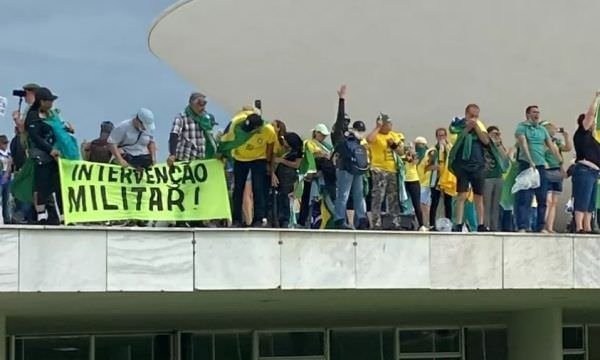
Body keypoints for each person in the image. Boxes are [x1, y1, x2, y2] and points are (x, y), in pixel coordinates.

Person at [25, 87, 79, 224]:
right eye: (49, 101)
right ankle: (41, 215)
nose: (51, 104)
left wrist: (68, 129)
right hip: (41, 154)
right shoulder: (32, 115)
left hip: (56, 154)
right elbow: (35, 137)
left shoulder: (51, 114)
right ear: (42, 101)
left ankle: (63, 215)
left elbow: (57, 128)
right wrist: (49, 150)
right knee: (42, 185)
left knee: (59, 184)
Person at [219, 111, 276, 227]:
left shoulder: (268, 130)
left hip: (259, 159)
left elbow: (270, 145)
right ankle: (237, 220)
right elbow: (226, 137)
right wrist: (222, 152)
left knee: (258, 188)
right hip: (240, 158)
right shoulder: (237, 122)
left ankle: (258, 219)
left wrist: (268, 162)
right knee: (238, 189)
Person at [514, 105, 562, 232]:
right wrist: (530, 160)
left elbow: (551, 145)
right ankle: (523, 226)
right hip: (526, 165)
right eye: (534, 112)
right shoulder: (522, 127)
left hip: (540, 166)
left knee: (542, 197)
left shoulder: (542, 129)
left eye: (538, 112)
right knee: (525, 197)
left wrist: (560, 162)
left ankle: (540, 226)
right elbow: (523, 143)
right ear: (528, 114)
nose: (537, 114)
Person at [331, 85, 369, 230]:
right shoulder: (339, 136)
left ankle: (361, 219)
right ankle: (340, 219)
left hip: (355, 168)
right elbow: (340, 118)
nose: (346, 124)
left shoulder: (353, 138)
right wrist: (342, 100)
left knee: (357, 195)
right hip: (345, 168)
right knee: (344, 195)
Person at [448, 104, 490, 232]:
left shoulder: (480, 125)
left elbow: (486, 141)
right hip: (463, 165)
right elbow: (456, 141)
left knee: (479, 196)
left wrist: (476, 127)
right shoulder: (456, 126)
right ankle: (458, 223)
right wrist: (467, 128)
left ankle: (481, 224)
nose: (474, 118)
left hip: (478, 165)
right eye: (472, 116)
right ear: (466, 114)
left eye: (476, 116)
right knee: (462, 195)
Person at [365, 114, 405, 230]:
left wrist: (393, 145)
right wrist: (377, 127)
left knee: (393, 197)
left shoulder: (393, 135)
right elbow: (369, 140)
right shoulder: (376, 135)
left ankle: (395, 222)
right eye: (388, 124)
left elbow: (401, 152)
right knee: (378, 196)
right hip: (379, 170)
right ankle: (376, 223)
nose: (390, 126)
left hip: (392, 170)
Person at [571, 92, 600, 233]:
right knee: (582, 198)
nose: (594, 123)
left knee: (590, 202)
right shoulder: (582, 133)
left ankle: (588, 227)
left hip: (594, 173)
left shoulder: (593, 140)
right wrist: (597, 99)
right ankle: (579, 226)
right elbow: (590, 114)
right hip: (584, 170)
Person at [298, 124, 334, 228]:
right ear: (316, 133)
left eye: (324, 135)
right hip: (311, 175)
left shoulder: (327, 145)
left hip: (324, 176)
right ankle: (304, 221)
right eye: (321, 134)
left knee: (323, 200)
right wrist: (323, 155)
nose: (323, 137)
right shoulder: (309, 143)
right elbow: (312, 155)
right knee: (307, 198)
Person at [167, 92, 217, 167]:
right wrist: (172, 154)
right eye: (199, 104)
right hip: (183, 160)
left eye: (204, 104)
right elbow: (174, 135)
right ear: (191, 104)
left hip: (199, 161)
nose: (203, 108)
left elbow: (211, 139)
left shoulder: (205, 119)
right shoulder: (182, 117)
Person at [541, 121, 572, 233]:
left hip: (557, 171)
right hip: (547, 171)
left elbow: (567, 148)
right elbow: (541, 154)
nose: (553, 129)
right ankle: (543, 226)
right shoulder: (542, 141)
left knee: (554, 201)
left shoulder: (556, 141)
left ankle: (550, 227)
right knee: (547, 200)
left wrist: (566, 136)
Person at [272, 132, 303, 228]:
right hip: (280, 177)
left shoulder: (297, 152)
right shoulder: (285, 151)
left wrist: (282, 160)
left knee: (285, 198)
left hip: (288, 178)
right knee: (279, 198)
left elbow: (296, 164)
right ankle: (278, 219)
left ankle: (285, 219)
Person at [424, 128, 453, 230]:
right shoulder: (432, 151)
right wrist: (433, 167)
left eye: (443, 135)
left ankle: (449, 223)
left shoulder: (451, 149)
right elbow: (425, 166)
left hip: (448, 180)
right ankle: (432, 224)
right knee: (435, 202)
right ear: (436, 137)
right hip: (435, 180)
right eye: (439, 136)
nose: (442, 138)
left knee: (448, 202)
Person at [482, 126, 509, 231]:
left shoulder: (499, 146)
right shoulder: (484, 146)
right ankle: (486, 225)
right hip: (487, 177)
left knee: (496, 204)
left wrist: (498, 143)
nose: (495, 135)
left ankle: (494, 227)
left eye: (497, 133)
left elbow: (505, 159)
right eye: (493, 134)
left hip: (498, 177)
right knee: (487, 204)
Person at [403, 139, 428, 231]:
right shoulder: (402, 155)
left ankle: (421, 224)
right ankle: (405, 223)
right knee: (404, 203)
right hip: (403, 180)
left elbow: (415, 162)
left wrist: (412, 152)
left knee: (416, 203)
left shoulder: (414, 155)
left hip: (413, 180)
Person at [414, 136, 431, 228]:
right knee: (420, 205)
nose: (419, 146)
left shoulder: (428, 155)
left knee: (424, 205)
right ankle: (422, 224)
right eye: (417, 144)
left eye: (420, 144)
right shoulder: (415, 155)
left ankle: (425, 224)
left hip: (425, 183)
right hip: (417, 182)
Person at [0, 135, 12, 224]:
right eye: (4, 143)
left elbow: (11, 164)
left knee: (6, 199)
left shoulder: (9, 154)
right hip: (1, 174)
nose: (6, 145)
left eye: (6, 143)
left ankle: (7, 219)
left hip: (7, 176)